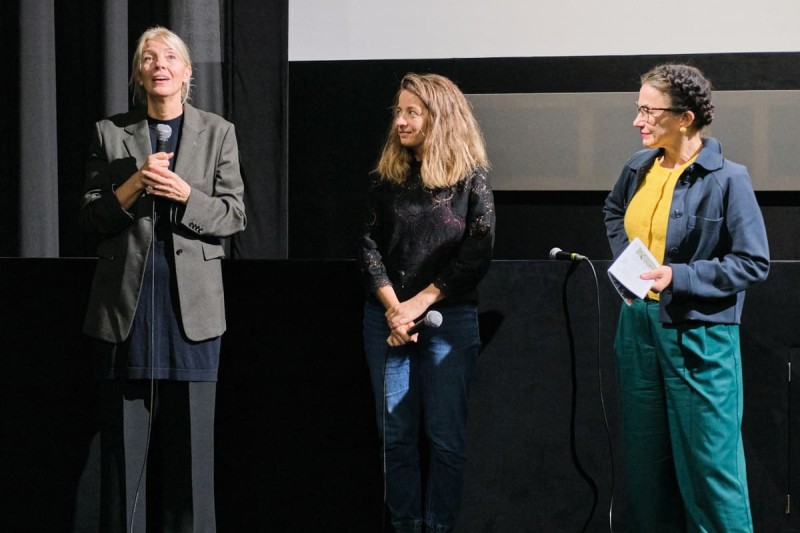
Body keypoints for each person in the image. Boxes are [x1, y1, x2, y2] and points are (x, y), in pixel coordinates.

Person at [80, 26, 246, 532]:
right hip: (123, 315)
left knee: (192, 464)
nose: (160, 64)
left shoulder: (218, 132)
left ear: (187, 72)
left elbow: (234, 215)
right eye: (149, 58)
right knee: (123, 466)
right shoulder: (110, 133)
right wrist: (133, 184)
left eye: (170, 57)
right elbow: (90, 219)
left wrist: (184, 195)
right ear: (138, 73)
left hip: (191, 317)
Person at [604, 63, 769, 532]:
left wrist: (677, 276)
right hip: (638, 329)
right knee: (646, 469)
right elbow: (614, 210)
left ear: (685, 118)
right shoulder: (638, 167)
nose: (638, 121)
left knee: (710, 472)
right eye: (638, 109)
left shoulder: (726, 178)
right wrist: (631, 265)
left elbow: (752, 262)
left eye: (648, 111)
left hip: (700, 338)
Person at [359, 73, 495, 533]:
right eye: (399, 111)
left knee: (445, 439)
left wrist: (418, 303)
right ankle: (405, 526)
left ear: (440, 117)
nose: (401, 120)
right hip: (387, 321)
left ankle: (438, 529)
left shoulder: (470, 180)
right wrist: (395, 310)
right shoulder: (386, 178)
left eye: (411, 112)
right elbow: (367, 246)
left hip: (447, 320)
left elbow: (477, 252)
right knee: (394, 439)